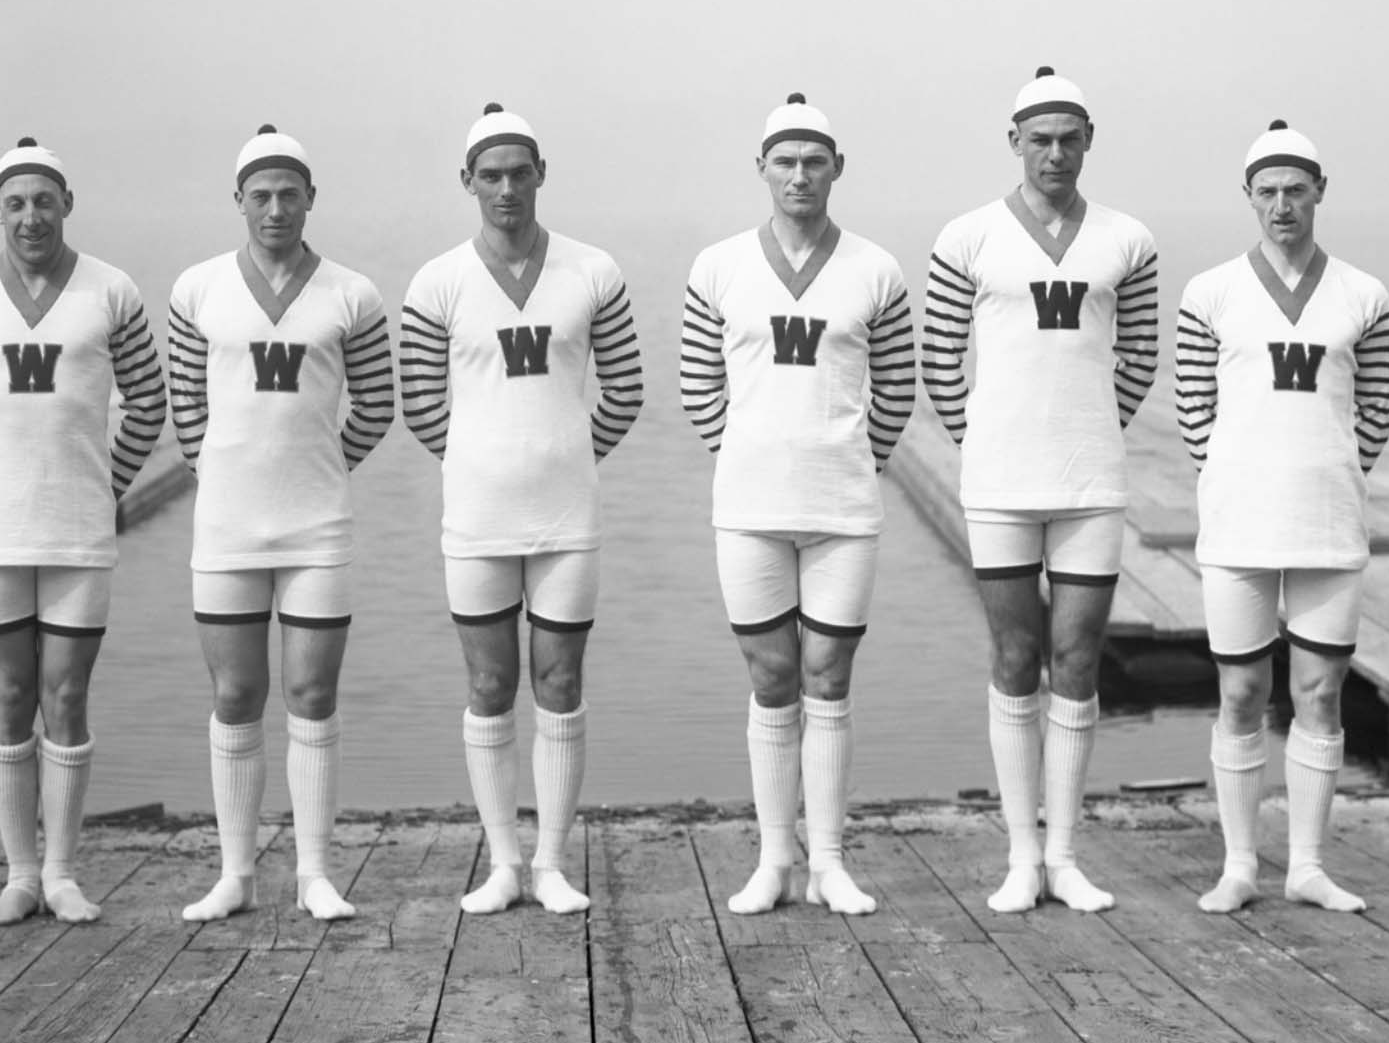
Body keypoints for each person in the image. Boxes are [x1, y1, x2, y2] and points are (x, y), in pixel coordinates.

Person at [920, 68, 1160, 913]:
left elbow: (1142, 357)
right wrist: (980, 436)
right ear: (1014, 141)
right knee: (1016, 658)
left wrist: (1096, 425)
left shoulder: (1129, 239)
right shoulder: (968, 237)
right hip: (999, 482)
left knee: (1078, 659)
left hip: (1091, 481)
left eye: (1069, 138)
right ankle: (1021, 854)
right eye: (1039, 138)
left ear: (1088, 140)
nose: (1054, 152)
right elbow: (938, 360)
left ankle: (1066, 855)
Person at [0, 137, 167, 925]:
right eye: (15, 203)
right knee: (11, 693)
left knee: (66, 694)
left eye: (44, 200)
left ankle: (62, 872)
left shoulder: (111, 289)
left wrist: (102, 487)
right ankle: (18, 874)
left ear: (67, 205)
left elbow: (148, 407)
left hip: (78, 533)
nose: (31, 216)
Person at [399, 103, 643, 915]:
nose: (507, 188)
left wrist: (566, 453)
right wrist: (480, 462)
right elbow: (418, 405)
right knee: (490, 681)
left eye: (520, 172)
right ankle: (503, 861)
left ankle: (551, 863)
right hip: (474, 520)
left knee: (560, 680)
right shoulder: (436, 283)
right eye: (491, 175)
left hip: (568, 518)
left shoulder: (593, 271)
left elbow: (627, 392)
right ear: (467, 181)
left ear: (543, 173)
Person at [679, 93, 914, 915]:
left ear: (837, 168)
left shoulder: (877, 270)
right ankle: (774, 858)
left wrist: (852, 460)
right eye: (785, 160)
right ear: (762, 170)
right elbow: (697, 385)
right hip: (747, 508)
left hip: (845, 509)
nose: (800, 175)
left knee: (829, 675)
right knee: (772, 674)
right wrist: (748, 458)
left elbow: (897, 391)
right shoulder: (717, 266)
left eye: (815, 160)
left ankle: (829, 861)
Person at [169, 126, 394, 923]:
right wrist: (222, 472)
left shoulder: (352, 293)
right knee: (236, 692)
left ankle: (314, 872)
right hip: (226, 528)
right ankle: (235, 873)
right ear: (238, 200)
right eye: (259, 194)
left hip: (317, 526)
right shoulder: (196, 289)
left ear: (310, 199)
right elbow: (184, 407)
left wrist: (321, 467)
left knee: (310, 691)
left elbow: (378, 404)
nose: (274, 207)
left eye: (288, 193)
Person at [1174, 120, 1389, 913]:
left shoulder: (1364, 294)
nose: (1281, 205)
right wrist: (1238, 471)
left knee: (1321, 691)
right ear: (1248, 197)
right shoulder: (1210, 292)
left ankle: (1306, 864)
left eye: (1295, 189)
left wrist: (1327, 470)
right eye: (1266, 191)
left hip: (1329, 523)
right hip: (1237, 520)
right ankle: (1240, 863)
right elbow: (1192, 407)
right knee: (1239, 693)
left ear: (1319, 191)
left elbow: (1376, 412)